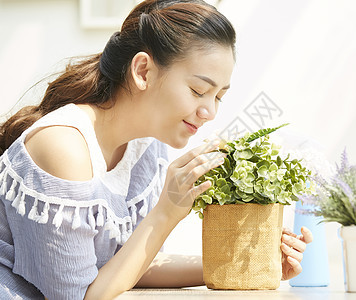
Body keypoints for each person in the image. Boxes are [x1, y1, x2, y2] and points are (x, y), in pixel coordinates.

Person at [0, 0, 313, 299]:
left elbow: (132, 266)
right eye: (198, 90)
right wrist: (166, 212)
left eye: (217, 97)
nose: (210, 112)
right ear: (143, 71)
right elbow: (78, 296)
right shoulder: (64, 146)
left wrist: (247, 265)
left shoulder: (146, 148)